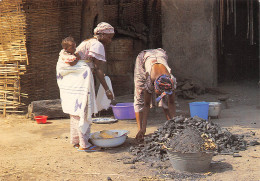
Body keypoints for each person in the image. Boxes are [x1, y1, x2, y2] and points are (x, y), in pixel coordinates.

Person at [56, 22, 114, 152]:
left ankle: (77, 140)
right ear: (102, 34)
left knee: (76, 110)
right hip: (80, 79)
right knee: (84, 110)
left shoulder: (89, 41)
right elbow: (98, 68)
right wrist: (107, 90)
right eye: (109, 37)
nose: (110, 40)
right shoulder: (97, 45)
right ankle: (85, 144)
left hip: (74, 80)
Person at [134, 48, 177, 141]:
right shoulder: (150, 80)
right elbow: (146, 105)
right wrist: (143, 129)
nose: (162, 95)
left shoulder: (171, 80)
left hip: (160, 54)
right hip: (144, 57)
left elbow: (172, 103)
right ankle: (139, 130)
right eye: (160, 93)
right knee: (139, 93)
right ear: (155, 87)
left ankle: (171, 126)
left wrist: (175, 124)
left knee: (166, 100)